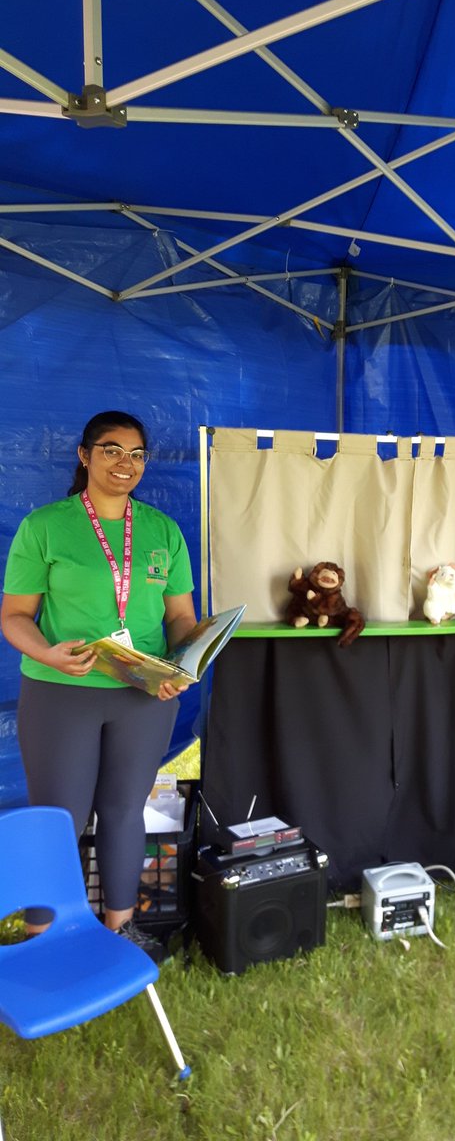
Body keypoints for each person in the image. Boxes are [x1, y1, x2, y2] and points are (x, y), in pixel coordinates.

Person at [1, 410, 197, 960]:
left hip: (142, 694)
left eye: (136, 454)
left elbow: (180, 618)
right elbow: (14, 615)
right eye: (111, 449)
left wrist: (180, 663)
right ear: (85, 455)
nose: (125, 463)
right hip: (62, 691)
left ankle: (119, 927)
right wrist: (45, 651)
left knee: (122, 809)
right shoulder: (46, 526)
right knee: (59, 814)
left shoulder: (161, 530)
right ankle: (45, 934)